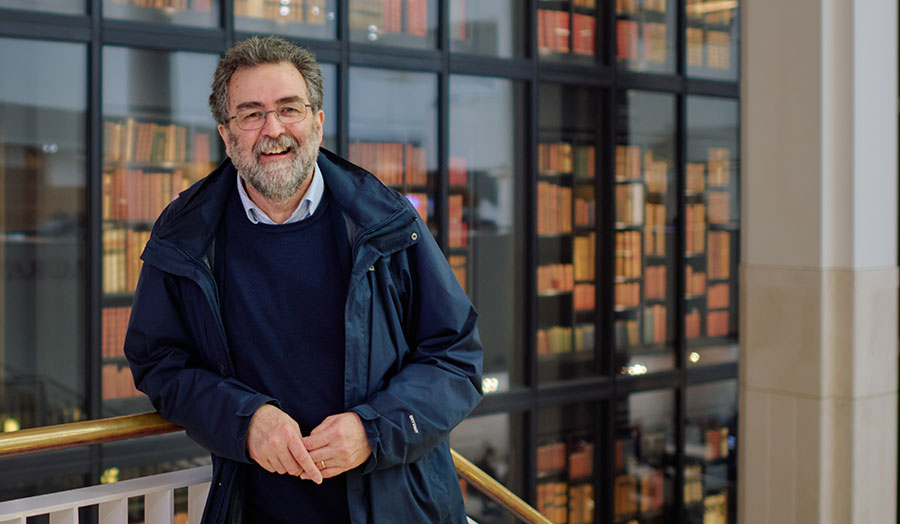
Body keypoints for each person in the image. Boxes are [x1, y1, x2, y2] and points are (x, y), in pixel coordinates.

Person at [124, 35, 484, 524]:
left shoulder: (389, 220)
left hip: (398, 507)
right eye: (251, 113)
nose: (273, 129)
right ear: (227, 135)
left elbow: (456, 358)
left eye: (289, 109)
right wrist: (243, 421)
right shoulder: (185, 235)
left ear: (317, 122)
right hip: (258, 510)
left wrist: (372, 430)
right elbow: (158, 362)